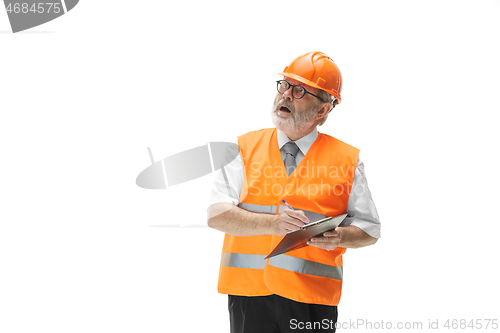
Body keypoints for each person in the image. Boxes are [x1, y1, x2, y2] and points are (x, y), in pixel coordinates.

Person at [207, 51, 381, 333]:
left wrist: (340, 236)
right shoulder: (243, 148)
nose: (286, 94)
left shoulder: (346, 160)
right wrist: (272, 223)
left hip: (312, 299)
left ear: (323, 110)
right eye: (284, 84)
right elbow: (217, 215)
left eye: (299, 90)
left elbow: (370, 230)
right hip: (249, 296)